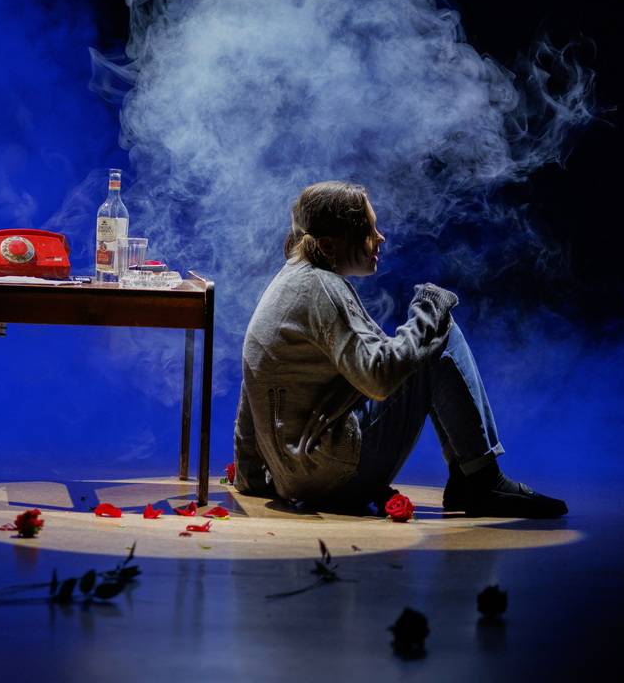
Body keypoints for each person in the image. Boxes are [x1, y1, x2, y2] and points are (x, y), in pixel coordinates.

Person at [231, 180, 568, 518]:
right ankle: (482, 480)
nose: (380, 238)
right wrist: (428, 310)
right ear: (329, 245)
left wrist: (251, 475)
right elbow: (379, 378)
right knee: (440, 332)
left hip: (298, 476)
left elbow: (254, 378)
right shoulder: (322, 287)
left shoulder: (289, 279)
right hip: (330, 473)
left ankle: (473, 480)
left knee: (424, 339)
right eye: (368, 230)